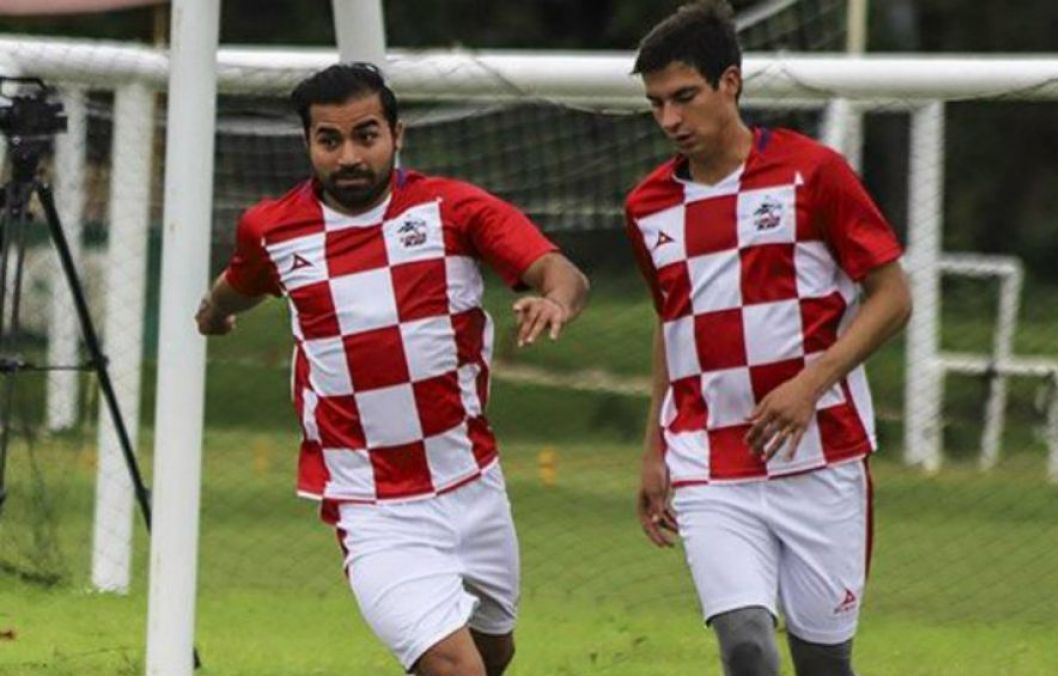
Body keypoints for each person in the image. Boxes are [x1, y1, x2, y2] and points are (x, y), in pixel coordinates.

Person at [195, 62, 589, 676]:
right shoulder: (273, 229)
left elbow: (558, 270)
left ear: (397, 135)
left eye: (366, 135)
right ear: (308, 143)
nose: (348, 155)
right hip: (370, 500)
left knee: (494, 653)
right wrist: (214, 311)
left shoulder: (455, 210)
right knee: (455, 667)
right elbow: (241, 281)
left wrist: (555, 299)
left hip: (471, 483)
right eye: (329, 140)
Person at [624, 3, 912, 675]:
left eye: (684, 97)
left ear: (731, 83)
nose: (669, 120)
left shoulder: (814, 174)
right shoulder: (646, 207)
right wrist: (652, 451)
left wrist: (811, 384)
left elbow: (893, 298)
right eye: (656, 104)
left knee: (823, 663)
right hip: (707, 459)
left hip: (822, 458)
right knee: (747, 645)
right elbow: (674, 325)